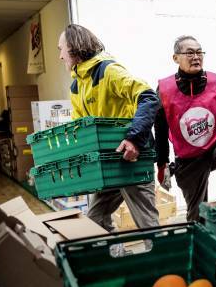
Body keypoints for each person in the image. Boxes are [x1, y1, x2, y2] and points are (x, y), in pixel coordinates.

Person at [58, 24, 160, 230]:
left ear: (74, 48)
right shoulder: (77, 86)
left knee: (147, 224)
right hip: (108, 164)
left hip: (132, 158)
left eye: (61, 49)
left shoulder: (108, 71)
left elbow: (148, 97)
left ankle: (164, 260)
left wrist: (134, 139)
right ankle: (115, 257)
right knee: (95, 221)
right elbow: (81, 129)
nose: (60, 56)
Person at [155, 35, 216, 221]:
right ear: (175, 58)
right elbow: (161, 128)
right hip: (188, 159)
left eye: (199, 52)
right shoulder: (164, 89)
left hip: (215, 147)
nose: (196, 57)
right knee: (196, 217)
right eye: (189, 53)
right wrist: (162, 163)